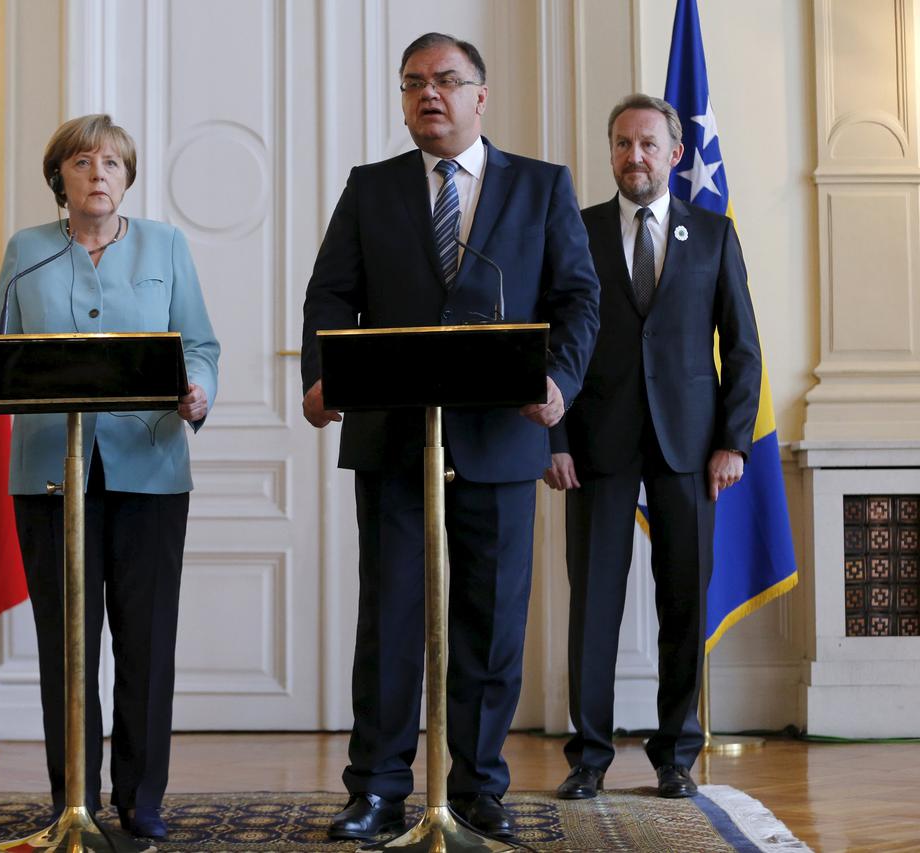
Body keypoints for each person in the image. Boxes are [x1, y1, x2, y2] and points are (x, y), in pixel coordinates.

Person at [301, 32, 599, 842]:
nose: (427, 95)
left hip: (501, 439)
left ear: (481, 95)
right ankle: (377, 789)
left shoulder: (541, 188)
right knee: (391, 619)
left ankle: (477, 785)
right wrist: (319, 378)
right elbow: (331, 295)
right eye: (412, 84)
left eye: (445, 81)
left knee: (490, 620)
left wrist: (559, 381)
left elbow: (578, 299)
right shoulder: (371, 189)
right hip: (394, 438)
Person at [0, 114, 219, 841]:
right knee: (68, 643)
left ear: (128, 176)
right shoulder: (26, 251)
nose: (99, 174)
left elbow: (201, 343)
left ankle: (142, 797)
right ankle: (73, 796)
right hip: (50, 476)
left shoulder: (166, 245)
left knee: (146, 642)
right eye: (84, 162)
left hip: (150, 469)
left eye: (114, 163)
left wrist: (199, 389)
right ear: (59, 175)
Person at [544, 93, 761, 801]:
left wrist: (733, 441)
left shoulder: (714, 234)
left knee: (683, 606)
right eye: (620, 144)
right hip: (595, 447)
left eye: (646, 144)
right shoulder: (575, 231)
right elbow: (551, 347)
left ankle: (676, 755)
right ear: (610, 152)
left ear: (674, 154)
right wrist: (557, 437)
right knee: (593, 609)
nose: (632, 156)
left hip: (692, 449)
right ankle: (590, 757)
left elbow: (744, 349)